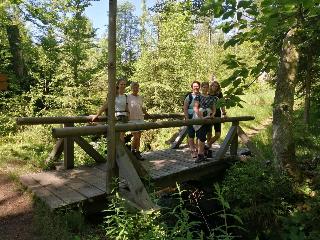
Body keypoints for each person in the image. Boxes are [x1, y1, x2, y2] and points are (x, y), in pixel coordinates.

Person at [193, 82, 216, 163]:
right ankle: (200, 155)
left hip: (208, 118)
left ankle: (202, 154)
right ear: (201, 88)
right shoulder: (198, 97)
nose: (205, 89)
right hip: (200, 118)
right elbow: (195, 108)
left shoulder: (211, 98)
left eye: (206, 87)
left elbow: (214, 108)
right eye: (204, 87)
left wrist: (212, 115)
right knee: (201, 136)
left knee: (204, 136)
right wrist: (201, 117)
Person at [127, 82, 149, 161]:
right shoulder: (128, 97)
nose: (136, 89)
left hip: (140, 118)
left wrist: (146, 114)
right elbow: (125, 107)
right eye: (134, 88)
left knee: (138, 137)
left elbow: (142, 107)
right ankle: (133, 151)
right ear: (131, 88)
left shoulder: (140, 97)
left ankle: (136, 152)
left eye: (137, 88)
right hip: (132, 119)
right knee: (135, 136)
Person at [206, 78, 227, 150]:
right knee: (209, 133)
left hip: (217, 114)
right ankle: (208, 150)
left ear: (218, 87)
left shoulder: (219, 94)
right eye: (213, 86)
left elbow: (222, 104)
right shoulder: (207, 93)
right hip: (208, 114)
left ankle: (207, 144)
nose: (215, 87)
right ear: (211, 86)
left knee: (218, 134)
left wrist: (224, 113)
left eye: (216, 86)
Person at [183, 81, 201, 158]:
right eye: (194, 86)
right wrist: (187, 118)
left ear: (199, 87)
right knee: (191, 133)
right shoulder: (189, 96)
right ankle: (192, 150)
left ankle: (198, 149)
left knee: (199, 133)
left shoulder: (202, 95)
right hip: (190, 116)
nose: (196, 87)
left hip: (200, 116)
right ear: (192, 87)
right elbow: (185, 108)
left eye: (197, 86)